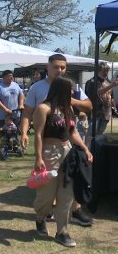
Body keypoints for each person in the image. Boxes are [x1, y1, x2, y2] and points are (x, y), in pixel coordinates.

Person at [21, 54, 93, 227]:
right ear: (48, 67)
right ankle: (43, 215)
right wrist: (24, 133)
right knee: (47, 191)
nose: (59, 70)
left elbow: (86, 109)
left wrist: (85, 148)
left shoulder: (69, 98)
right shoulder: (38, 92)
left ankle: (64, 227)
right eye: (56, 67)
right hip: (48, 149)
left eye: (62, 67)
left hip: (67, 149)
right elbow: (28, 116)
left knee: (67, 189)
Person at [32, 76, 93, 247]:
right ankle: (40, 217)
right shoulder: (43, 108)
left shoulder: (67, 109)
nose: (73, 92)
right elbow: (37, 134)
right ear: (61, 89)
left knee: (66, 194)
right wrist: (38, 157)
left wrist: (85, 149)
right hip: (49, 153)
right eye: (70, 89)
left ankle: (62, 231)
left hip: (68, 153)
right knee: (46, 194)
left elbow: (72, 132)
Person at [85, 62, 116, 135]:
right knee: (92, 133)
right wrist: (111, 86)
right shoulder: (92, 82)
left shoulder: (108, 82)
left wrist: (114, 106)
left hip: (106, 113)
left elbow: (111, 96)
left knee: (100, 134)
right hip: (95, 112)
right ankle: (89, 146)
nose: (106, 73)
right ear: (98, 71)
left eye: (107, 71)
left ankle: (97, 146)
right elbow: (97, 92)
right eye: (104, 71)